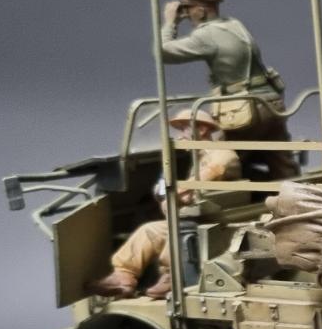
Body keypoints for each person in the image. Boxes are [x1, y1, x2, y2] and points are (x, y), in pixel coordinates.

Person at [85, 109, 241, 299]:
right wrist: (175, 196)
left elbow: (205, 178)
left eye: (184, 129)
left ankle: (172, 276)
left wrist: (174, 194)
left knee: (178, 229)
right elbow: (194, 190)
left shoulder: (221, 155)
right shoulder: (201, 158)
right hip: (200, 216)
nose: (181, 136)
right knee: (148, 231)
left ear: (201, 130)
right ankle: (123, 277)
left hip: (215, 220)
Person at [161, 0, 299, 179]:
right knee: (282, 161)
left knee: (220, 158)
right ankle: (296, 192)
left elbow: (163, 52)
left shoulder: (206, 35)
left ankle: (203, 192)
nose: (187, 15)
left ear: (201, 11)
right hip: (270, 102)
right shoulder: (234, 24)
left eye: (188, 9)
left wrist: (170, 22)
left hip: (245, 109)